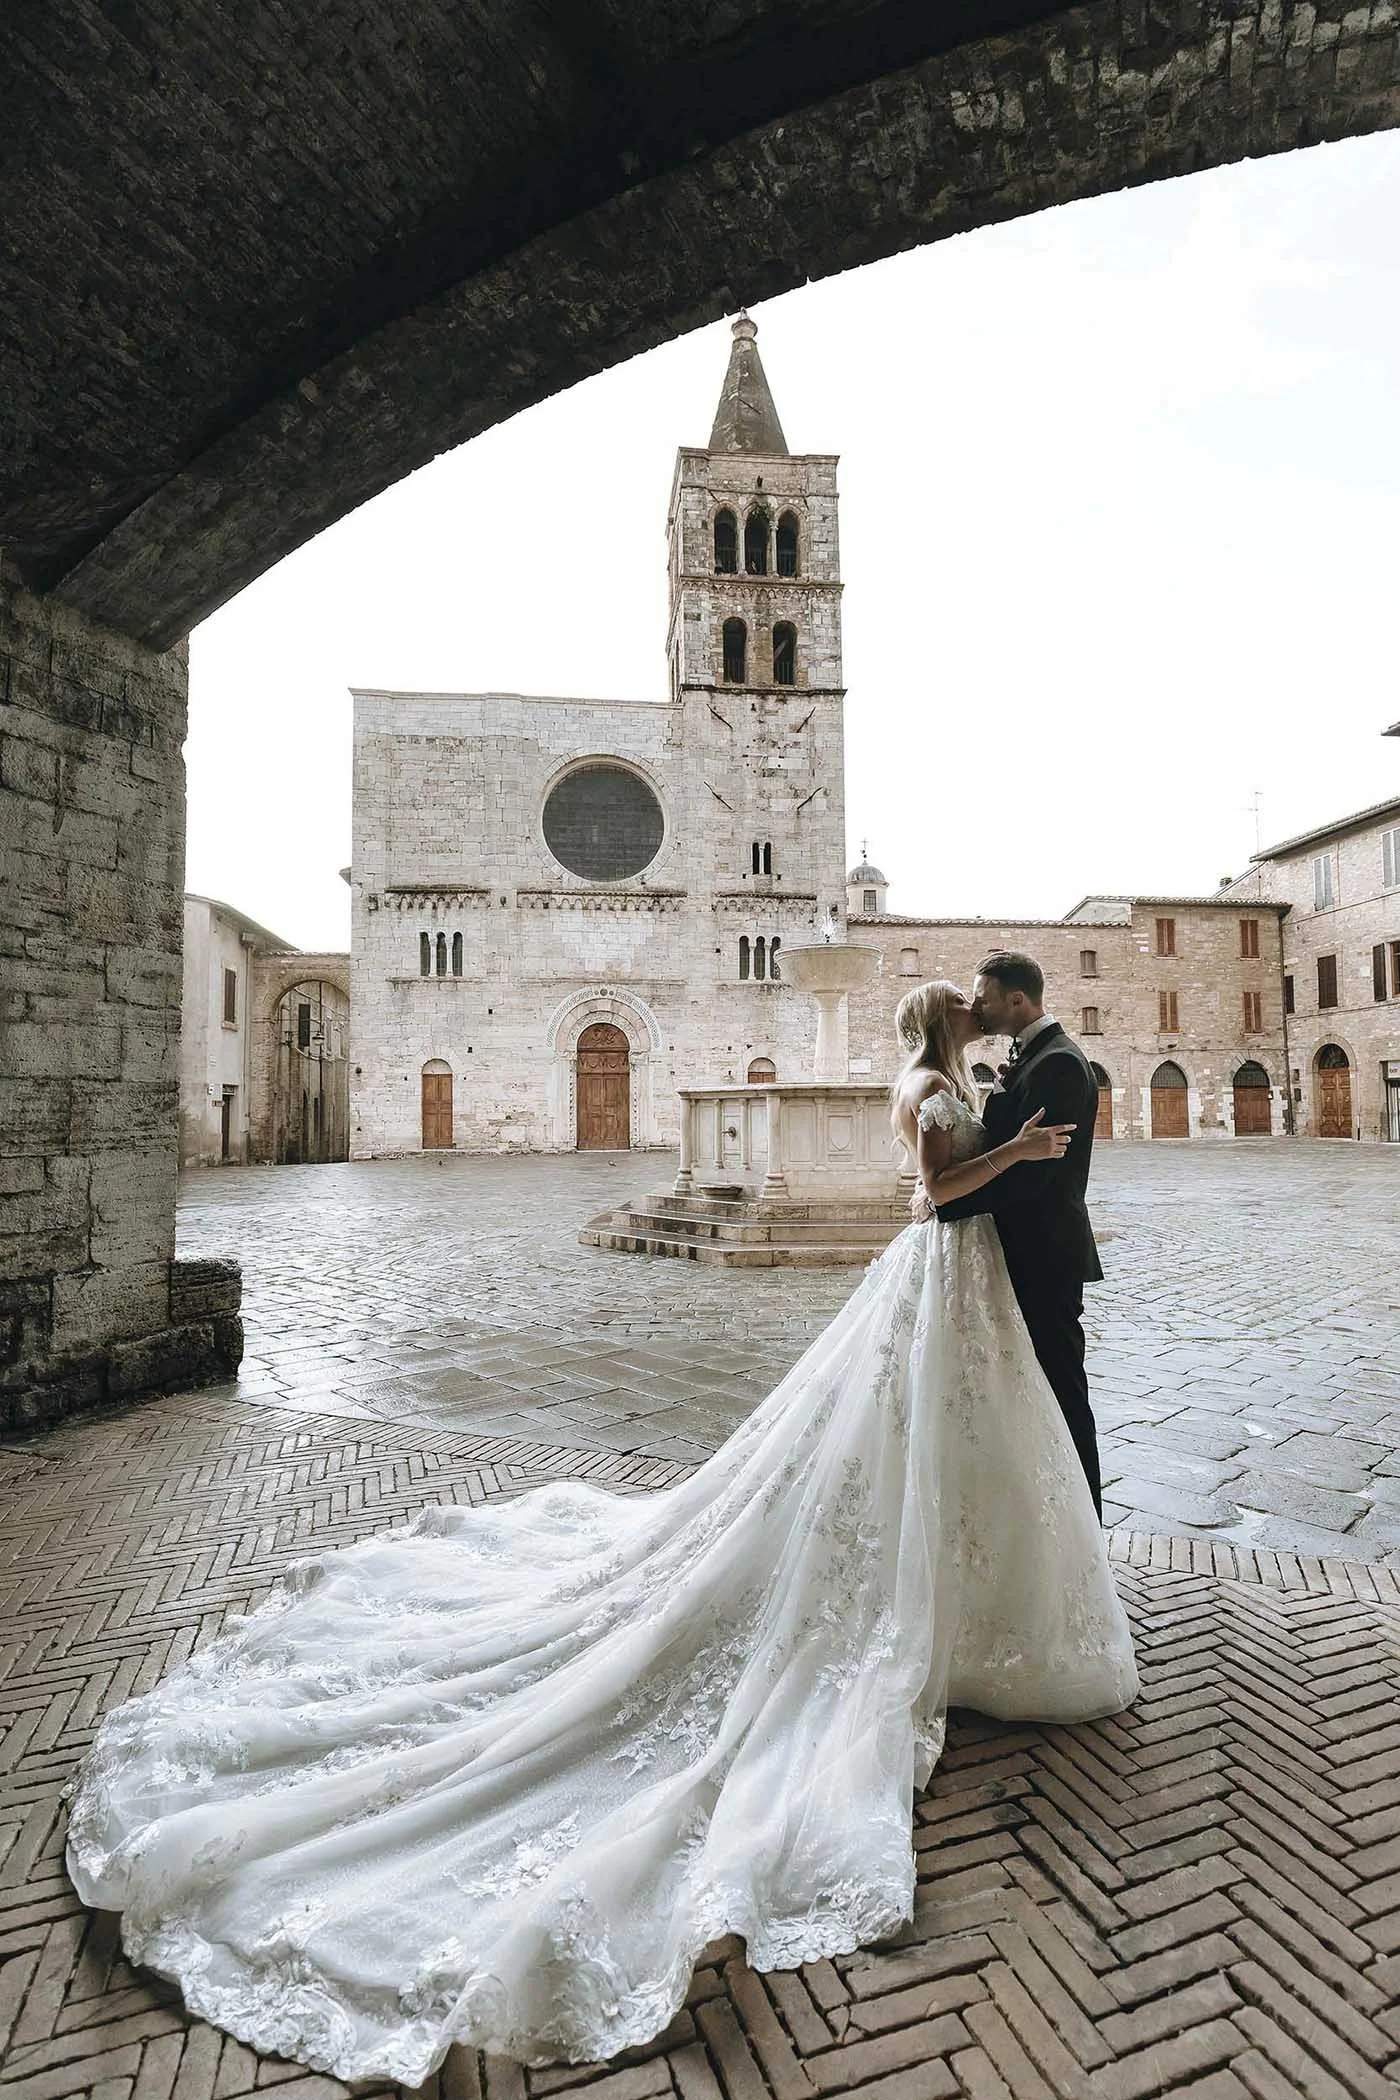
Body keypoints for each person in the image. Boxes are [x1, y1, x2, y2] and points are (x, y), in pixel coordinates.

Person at [65, 981, 1137, 2089]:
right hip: (937, 1271)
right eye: (963, 1004)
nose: (977, 1010)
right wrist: (1010, 1159)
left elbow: (962, 1181)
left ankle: (969, 1593)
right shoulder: (924, 1086)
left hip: (961, 1287)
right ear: (940, 1024)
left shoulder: (960, 1075)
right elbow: (932, 1188)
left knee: (936, 1448)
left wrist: (1009, 1149)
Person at [926, 953, 1105, 1518]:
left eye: (984, 996)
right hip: (1017, 1251)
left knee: (1062, 1390)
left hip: (1044, 1253)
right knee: (1030, 1390)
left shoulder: (1058, 1064)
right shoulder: (1033, 1055)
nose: (977, 1006)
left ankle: (1084, 1524)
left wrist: (948, 1203)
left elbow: (1040, 1174)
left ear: (1018, 1001)